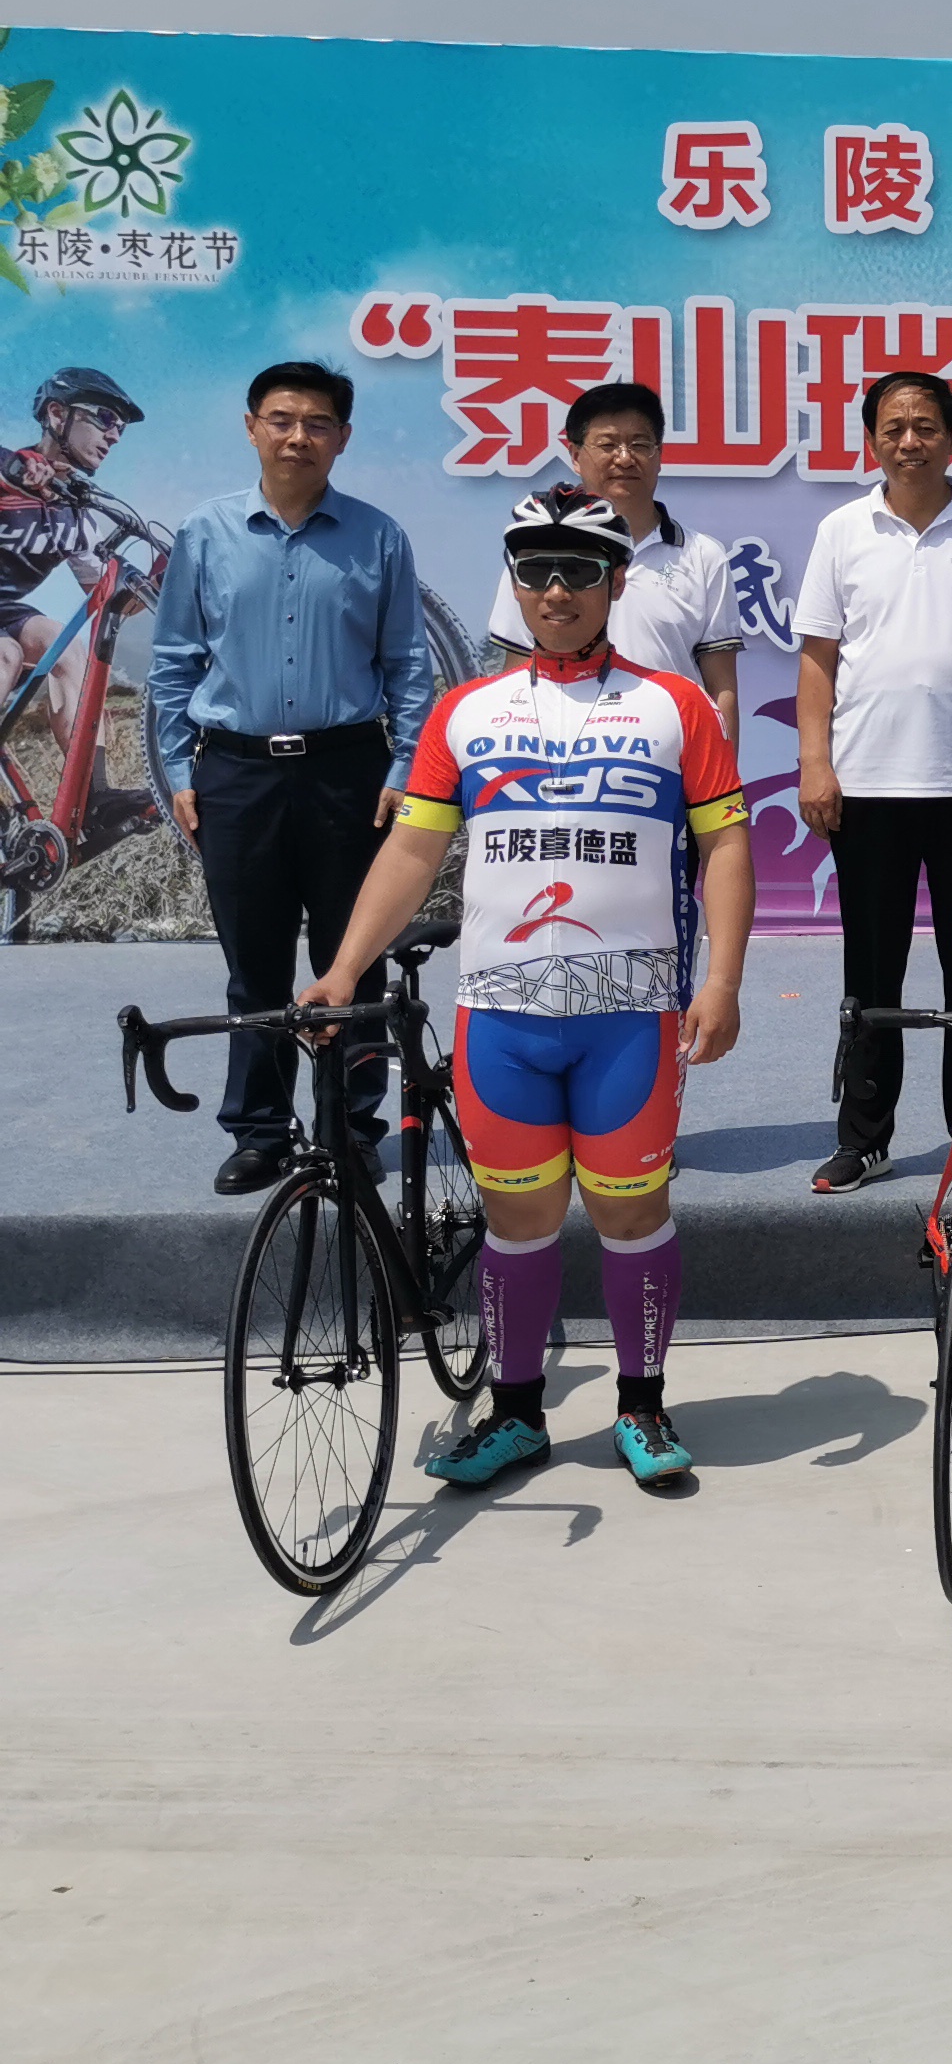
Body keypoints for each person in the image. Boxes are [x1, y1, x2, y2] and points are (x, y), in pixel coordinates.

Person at [299, 488, 753, 1490]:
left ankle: (642, 1404)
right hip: (502, 1014)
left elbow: (724, 846)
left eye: (578, 569)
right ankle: (515, 1415)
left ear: (616, 582)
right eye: (536, 570)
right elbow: (413, 852)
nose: (556, 589)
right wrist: (341, 970)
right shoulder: (468, 711)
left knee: (632, 1216)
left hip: (630, 1015)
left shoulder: (675, 705)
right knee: (517, 1223)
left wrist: (722, 979)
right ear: (516, 584)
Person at [147, 362, 435, 1194]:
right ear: (251, 428)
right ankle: (261, 1132)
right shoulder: (206, 533)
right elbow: (173, 662)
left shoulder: (378, 537)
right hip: (236, 773)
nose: (297, 436)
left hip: (350, 773)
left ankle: (351, 1127)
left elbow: (407, 666)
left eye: (317, 423)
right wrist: (179, 768)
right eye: (281, 419)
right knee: (255, 963)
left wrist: (405, 765)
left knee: (356, 959)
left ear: (343, 438)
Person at [795, 371, 952, 1191]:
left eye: (926, 426)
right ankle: (864, 1136)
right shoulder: (842, 531)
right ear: (872, 440)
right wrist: (816, 763)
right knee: (872, 970)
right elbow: (818, 659)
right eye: (894, 427)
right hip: (867, 786)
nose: (910, 441)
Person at [482, 380, 741, 742]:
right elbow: (516, 669)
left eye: (640, 444)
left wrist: (720, 771)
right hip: (560, 750)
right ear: (575, 455)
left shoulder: (702, 556)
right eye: (607, 445)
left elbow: (721, 688)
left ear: (659, 455)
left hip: (668, 754)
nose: (624, 458)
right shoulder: (537, 557)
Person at [0, 366, 164, 856]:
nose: (114, 435)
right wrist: (14, 468)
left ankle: (94, 797)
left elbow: (112, 601)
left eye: (121, 428)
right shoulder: (9, 472)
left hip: (5, 610)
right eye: (105, 418)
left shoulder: (76, 514)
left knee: (66, 645)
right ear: (57, 414)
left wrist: (163, 578)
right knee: (6, 655)